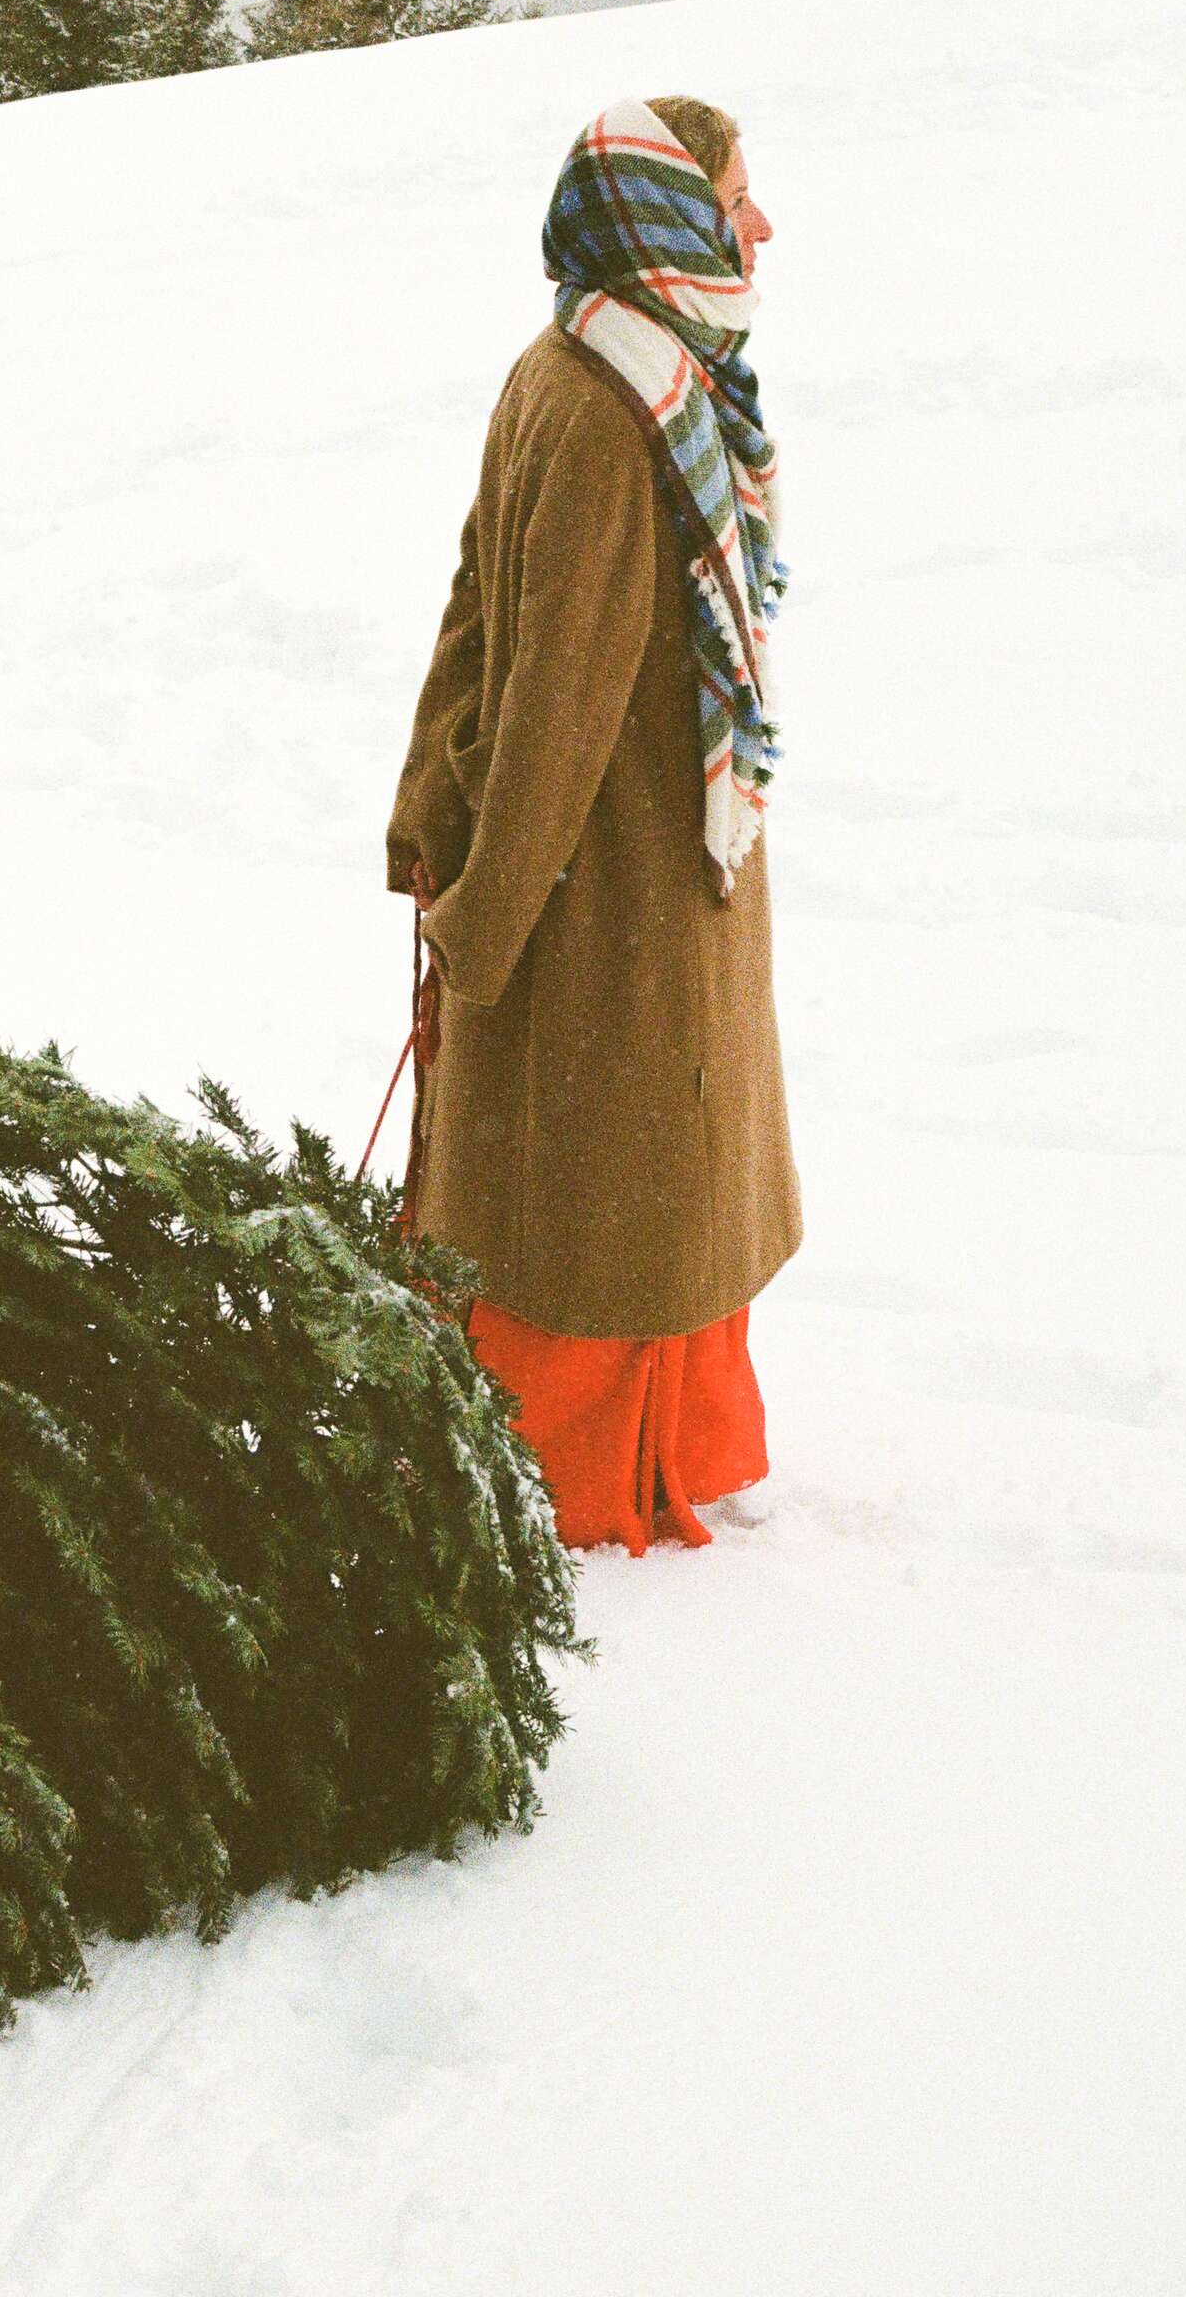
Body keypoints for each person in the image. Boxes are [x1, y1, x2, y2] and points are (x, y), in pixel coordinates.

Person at [385, 94, 802, 1553]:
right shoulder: (620, 410)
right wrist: (484, 920)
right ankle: (589, 1482)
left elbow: (469, 616)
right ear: (665, 220)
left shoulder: (580, 360)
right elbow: (544, 684)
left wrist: (427, 817)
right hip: (609, 904)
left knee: (620, 1193)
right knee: (611, 1206)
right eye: (737, 199)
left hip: (634, 877)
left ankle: (668, 1447)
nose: (761, 226)